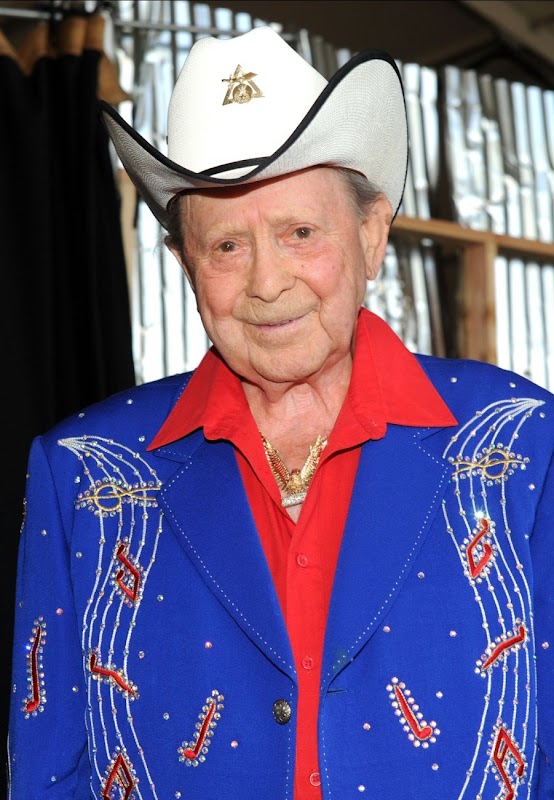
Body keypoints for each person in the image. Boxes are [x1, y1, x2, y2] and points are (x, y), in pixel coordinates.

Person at [7, 25, 554, 800]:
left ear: (371, 234)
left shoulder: (525, 445)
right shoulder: (85, 475)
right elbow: (46, 773)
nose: (267, 283)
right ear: (185, 264)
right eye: (227, 246)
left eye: (300, 233)